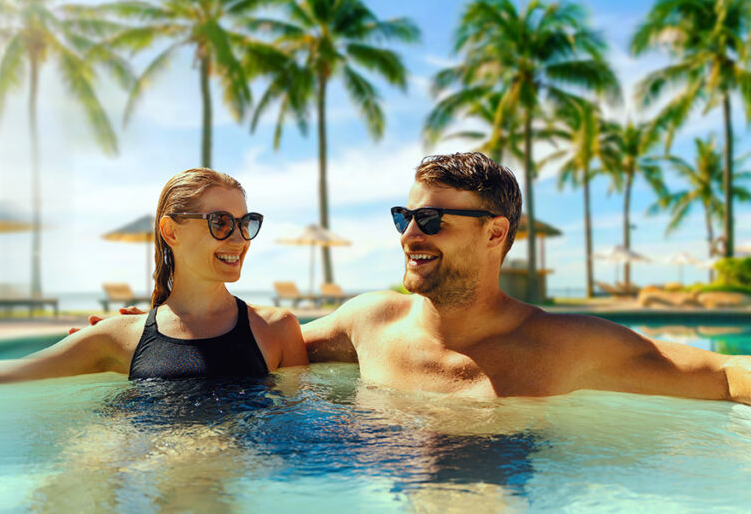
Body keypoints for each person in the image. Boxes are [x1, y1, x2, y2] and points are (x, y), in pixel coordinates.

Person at [301, 152, 751, 404]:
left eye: (432, 220)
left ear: (494, 232)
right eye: (405, 217)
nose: (409, 235)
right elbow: (270, 337)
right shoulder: (371, 322)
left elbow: (726, 373)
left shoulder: (563, 346)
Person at [0, 167, 307, 388]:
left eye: (246, 223)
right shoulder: (120, 336)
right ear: (171, 231)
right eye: (221, 222)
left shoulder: (276, 330)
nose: (239, 238)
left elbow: (297, 429)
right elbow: (10, 375)